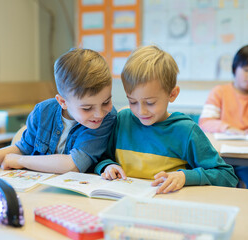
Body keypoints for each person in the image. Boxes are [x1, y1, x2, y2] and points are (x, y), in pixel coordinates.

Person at [94, 45, 238, 194]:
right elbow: (101, 158)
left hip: (168, 210)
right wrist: (107, 166)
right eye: (132, 101)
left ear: (172, 94)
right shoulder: (122, 121)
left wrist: (184, 176)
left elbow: (227, 176)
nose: (140, 111)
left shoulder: (186, 131)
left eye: (150, 103)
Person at [0, 48, 117, 176]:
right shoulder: (42, 112)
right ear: (63, 102)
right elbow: (23, 148)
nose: (99, 113)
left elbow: (73, 165)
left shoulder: (106, 119)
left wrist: (19, 161)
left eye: (106, 102)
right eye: (87, 108)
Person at [199, 44, 248, 191]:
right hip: (220, 156)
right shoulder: (219, 92)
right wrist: (228, 128)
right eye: (246, 70)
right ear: (235, 68)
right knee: (215, 188)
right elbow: (205, 122)